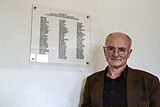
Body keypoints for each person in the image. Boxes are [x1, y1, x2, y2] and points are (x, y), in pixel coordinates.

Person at [81, 32, 160, 107]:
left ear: (129, 53)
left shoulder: (149, 81)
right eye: (111, 49)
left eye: (122, 50)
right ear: (105, 51)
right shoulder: (91, 81)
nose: (115, 54)